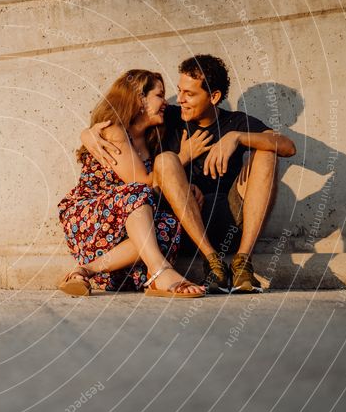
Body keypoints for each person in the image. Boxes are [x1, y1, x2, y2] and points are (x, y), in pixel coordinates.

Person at [81, 55, 296, 293]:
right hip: (184, 227)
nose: (180, 99)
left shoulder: (235, 122)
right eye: (179, 91)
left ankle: (243, 263)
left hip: (230, 221)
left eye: (190, 94)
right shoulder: (170, 117)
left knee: (267, 151)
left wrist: (237, 137)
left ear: (213, 97)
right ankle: (212, 262)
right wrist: (88, 133)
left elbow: (288, 146)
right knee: (165, 159)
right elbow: (125, 121)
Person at [57, 70, 204, 298]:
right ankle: (160, 271)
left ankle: (86, 271)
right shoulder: (112, 129)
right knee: (138, 192)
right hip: (92, 221)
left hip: (120, 239)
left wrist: (184, 185)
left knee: (171, 224)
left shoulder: (152, 139)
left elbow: (155, 186)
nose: (165, 102)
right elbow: (142, 184)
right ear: (139, 98)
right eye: (159, 95)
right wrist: (183, 156)